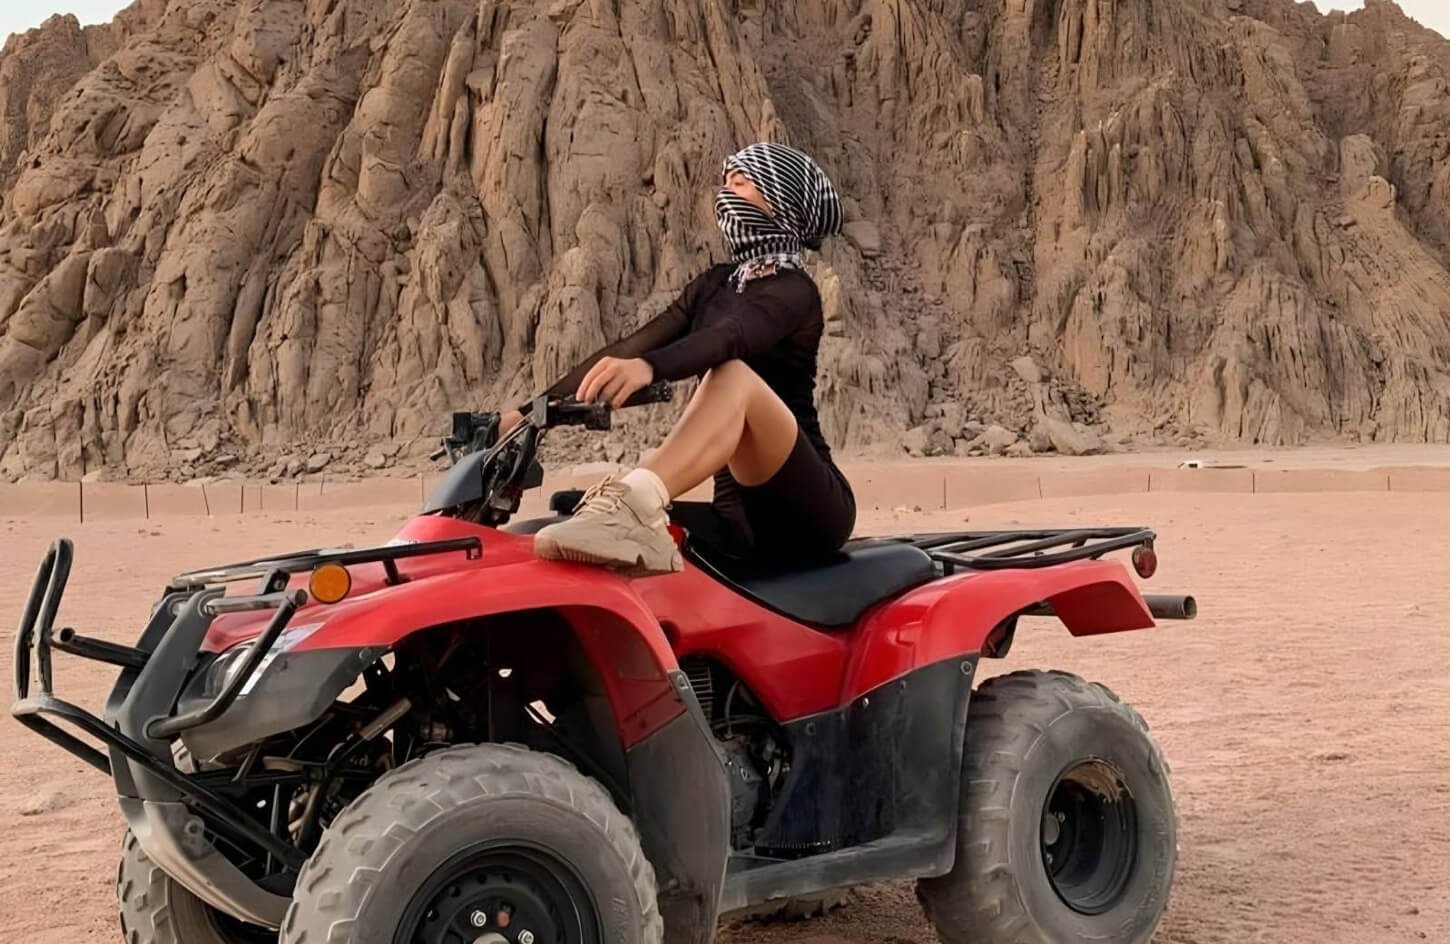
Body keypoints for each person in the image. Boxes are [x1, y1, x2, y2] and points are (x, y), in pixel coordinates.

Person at [508, 142, 856, 576]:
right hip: (736, 520)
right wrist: (524, 416)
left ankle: (635, 502)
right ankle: (628, 507)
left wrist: (649, 368)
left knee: (732, 376)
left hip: (808, 511)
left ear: (781, 197)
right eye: (725, 183)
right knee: (561, 519)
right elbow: (630, 347)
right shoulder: (716, 284)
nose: (725, 194)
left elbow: (729, 337)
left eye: (741, 183)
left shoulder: (795, 290)